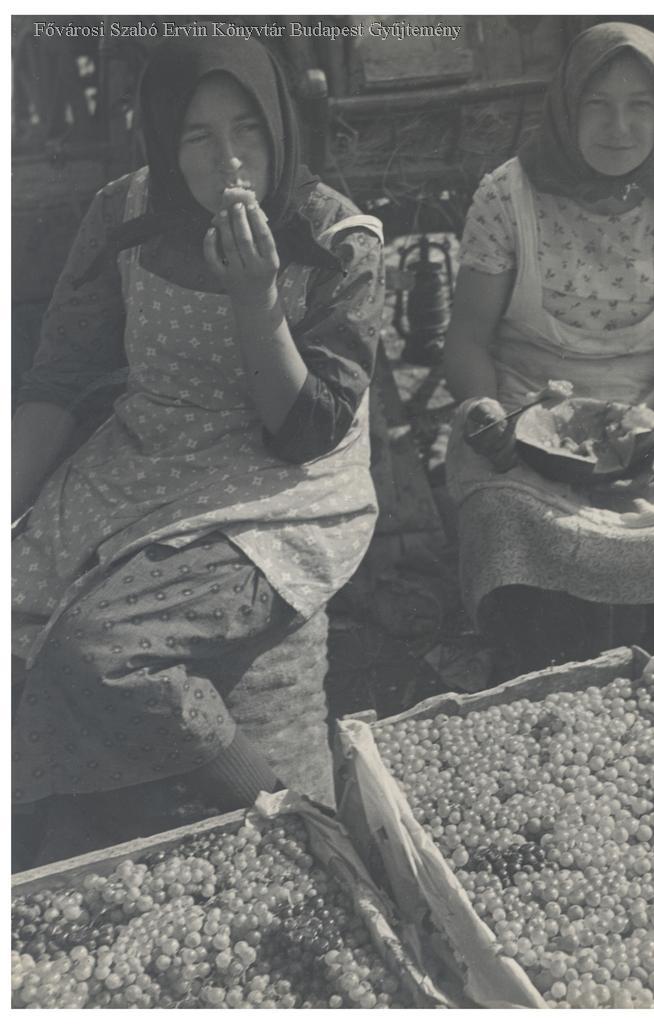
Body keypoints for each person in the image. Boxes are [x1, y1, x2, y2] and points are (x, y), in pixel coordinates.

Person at [11, 36, 384, 828]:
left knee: (100, 647)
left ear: (279, 125)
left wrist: (257, 300)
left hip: (278, 484)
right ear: (161, 138)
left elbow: (305, 431)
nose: (229, 159)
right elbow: (61, 374)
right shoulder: (125, 213)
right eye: (196, 135)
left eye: (247, 128)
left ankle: (275, 803)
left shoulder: (336, 238)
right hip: (149, 456)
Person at [444, 22, 654, 676]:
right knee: (504, 518)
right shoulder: (508, 195)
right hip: (523, 401)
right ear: (565, 106)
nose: (619, 127)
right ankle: (530, 672)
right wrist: (485, 409)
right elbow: (467, 338)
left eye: (640, 106)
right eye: (597, 104)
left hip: (649, 402)